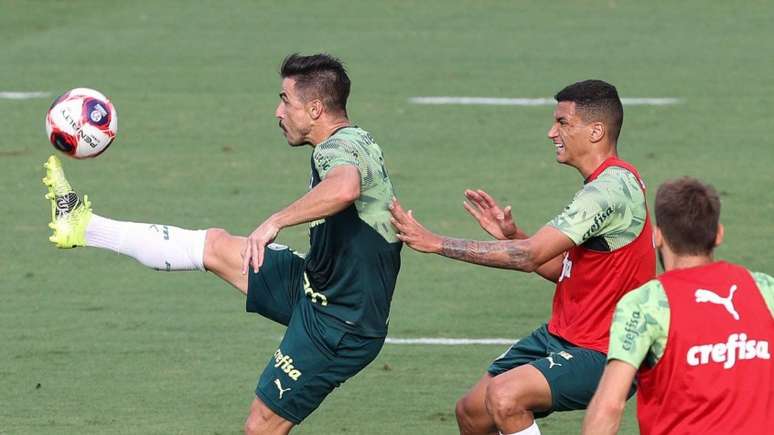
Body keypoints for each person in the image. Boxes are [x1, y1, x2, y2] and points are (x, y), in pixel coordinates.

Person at [42, 53, 402, 435]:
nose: (278, 112)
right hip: (318, 287)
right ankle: (83, 226)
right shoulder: (353, 140)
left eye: (285, 100)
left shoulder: (337, 150)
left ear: (315, 109)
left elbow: (345, 187)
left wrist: (274, 221)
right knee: (214, 247)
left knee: (261, 427)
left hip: (339, 322)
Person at [390, 80, 656, 435]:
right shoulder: (603, 186)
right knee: (472, 413)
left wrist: (437, 242)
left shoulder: (609, 191)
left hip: (606, 349)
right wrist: (513, 236)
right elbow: (563, 270)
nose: (551, 132)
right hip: (563, 335)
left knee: (505, 396)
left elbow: (529, 257)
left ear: (596, 131)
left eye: (563, 122)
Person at [582, 177, 773, 435]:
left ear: (658, 237)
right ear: (718, 234)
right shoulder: (764, 289)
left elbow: (609, 407)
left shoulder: (646, 303)